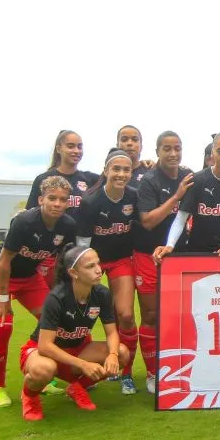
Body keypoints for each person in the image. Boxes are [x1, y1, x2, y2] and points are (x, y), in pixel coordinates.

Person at [0, 175, 77, 407]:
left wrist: (60, 293)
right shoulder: (24, 221)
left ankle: (42, 375)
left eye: (62, 200)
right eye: (52, 198)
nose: (57, 204)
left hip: (29, 278)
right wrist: (4, 299)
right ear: (41, 199)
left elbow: (58, 261)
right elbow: (4, 261)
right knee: (2, 325)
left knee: (52, 322)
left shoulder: (68, 226)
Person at [18, 244, 129, 421]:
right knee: (43, 370)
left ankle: (76, 387)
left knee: (123, 353)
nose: (99, 270)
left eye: (98, 264)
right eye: (90, 266)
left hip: (78, 350)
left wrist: (113, 355)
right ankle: (29, 396)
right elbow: (45, 346)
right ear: (73, 273)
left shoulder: (102, 294)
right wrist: (83, 365)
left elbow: (111, 333)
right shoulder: (57, 298)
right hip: (45, 353)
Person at [76, 149, 140, 395]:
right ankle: (81, 370)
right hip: (94, 263)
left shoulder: (133, 197)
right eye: (116, 169)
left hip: (122, 260)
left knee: (124, 315)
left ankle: (126, 373)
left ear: (131, 173)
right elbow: (82, 244)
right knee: (86, 316)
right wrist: (90, 271)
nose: (121, 174)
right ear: (106, 171)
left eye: (126, 170)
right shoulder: (90, 201)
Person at [134, 131, 193, 394]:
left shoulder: (188, 175)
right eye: (167, 148)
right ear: (157, 151)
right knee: (151, 314)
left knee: (181, 315)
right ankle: (151, 373)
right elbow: (148, 222)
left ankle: (181, 365)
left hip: (180, 257)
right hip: (148, 255)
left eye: (177, 148)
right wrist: (176, 197)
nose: (173, 154)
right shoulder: (149, 181)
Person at [155, 131, 220, 258]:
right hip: (197, 253)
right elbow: (181, 218)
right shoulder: (197, 180)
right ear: (212, 154)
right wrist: (170, 245)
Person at [26, 130, 100, 218]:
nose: (76, 151)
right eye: (70, 146)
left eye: (79, 147)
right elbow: (30, 214)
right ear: (58, 148)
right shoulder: (43, 179)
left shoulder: (92, 179)